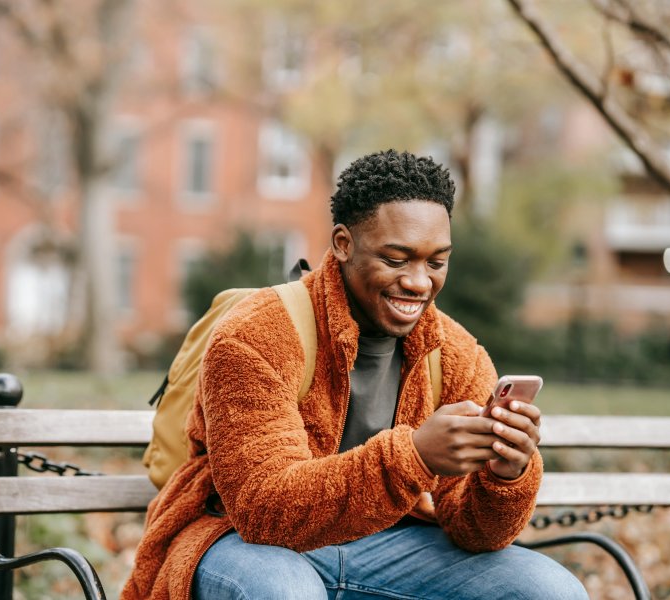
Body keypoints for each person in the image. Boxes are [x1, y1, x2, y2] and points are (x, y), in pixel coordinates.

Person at [122, 150, 589, 600]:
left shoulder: (456, 354)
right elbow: (262, 511)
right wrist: (415, 456)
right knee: (286, 592)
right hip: (236, 540)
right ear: (343, 244)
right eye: (396, 258)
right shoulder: (257, 332)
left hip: (386, 546)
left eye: (436, 261)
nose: (419, 282)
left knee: (553, 590)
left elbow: (477, 533)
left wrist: (506, 474)